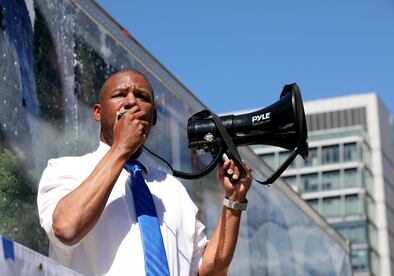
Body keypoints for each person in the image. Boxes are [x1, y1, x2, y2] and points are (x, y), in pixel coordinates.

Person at [37, 69, 252, 276]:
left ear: (153, 118)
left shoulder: (173, 189)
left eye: (142, 97)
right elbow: (66, 228)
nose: (131, 102)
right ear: (98, 112)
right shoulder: (65, 169)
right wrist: (121, 148)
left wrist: (233, 201)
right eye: (120, 95)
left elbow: (208, 271)